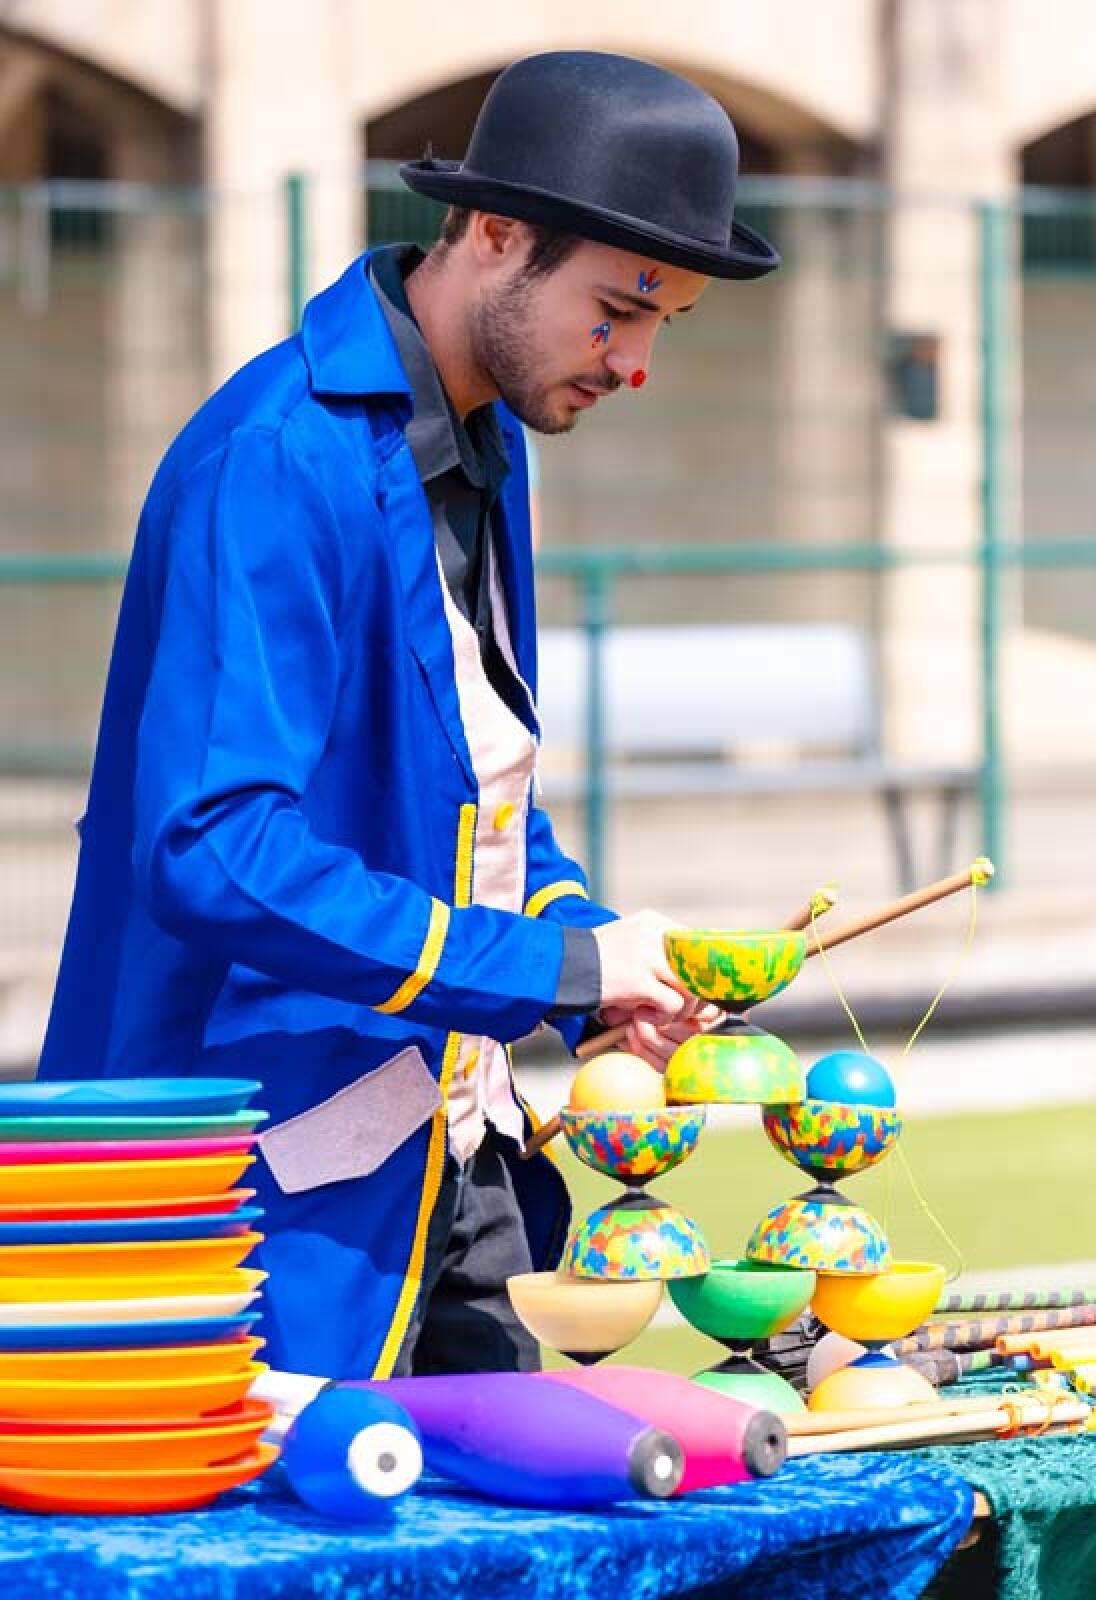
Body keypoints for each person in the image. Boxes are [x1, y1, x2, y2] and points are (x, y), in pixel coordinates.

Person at [38, 50, 779, 1380]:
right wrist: (545, 972)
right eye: (618, 311)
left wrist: (589, 958)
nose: (638, 364)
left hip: (449, 1157)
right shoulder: (276, 455)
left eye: (665, 322)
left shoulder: (492, 447)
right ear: (495, 234)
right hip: (246, 1204)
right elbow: (214, 848)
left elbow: (474, 799)